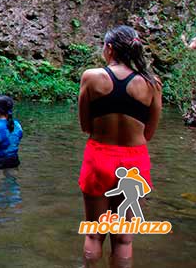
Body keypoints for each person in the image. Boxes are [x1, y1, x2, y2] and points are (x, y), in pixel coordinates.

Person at [78, 25, 162, 267]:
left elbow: (85, 126)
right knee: (124, 239)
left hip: (99, 156)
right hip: (134, 160)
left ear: (110, 48)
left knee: (94, 233)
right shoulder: (152, 84)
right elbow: (149, 133)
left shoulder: (91, 77)